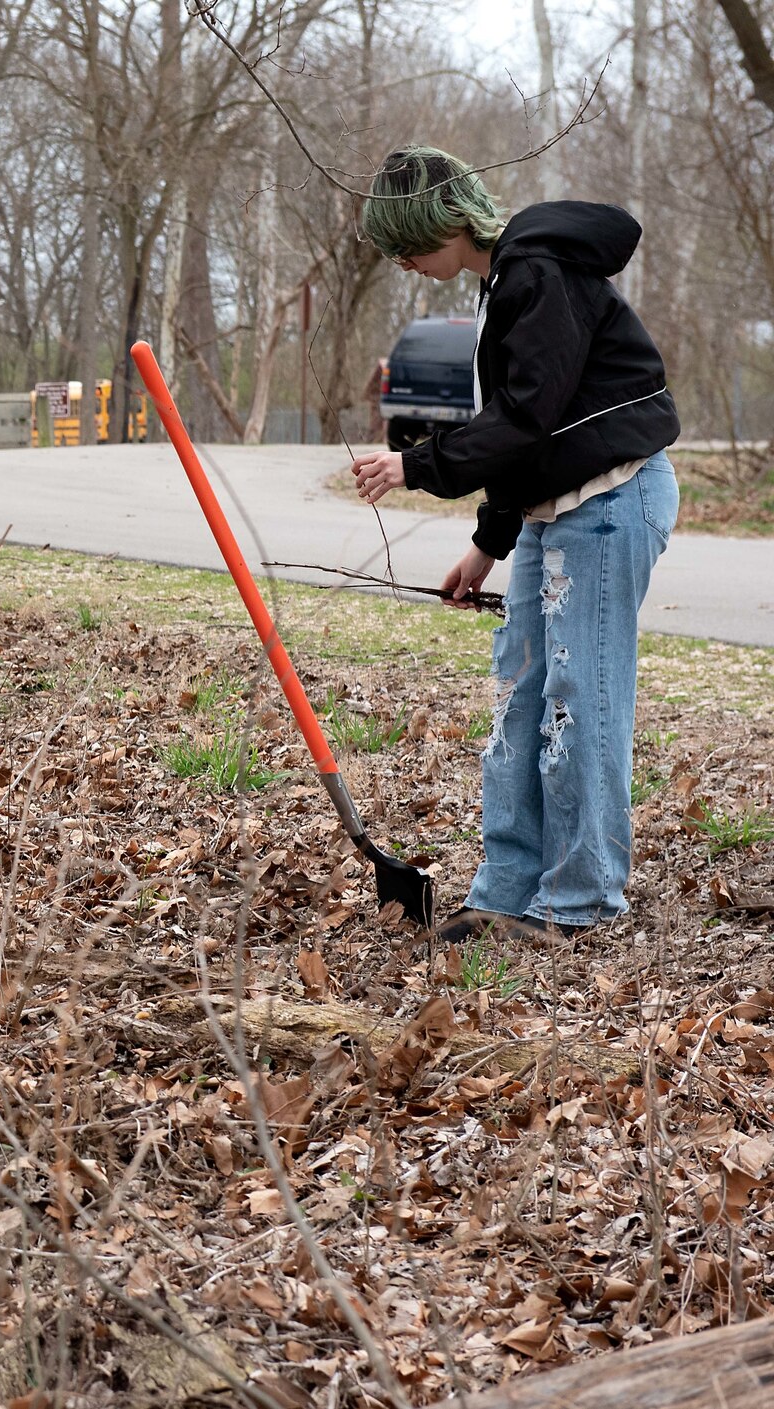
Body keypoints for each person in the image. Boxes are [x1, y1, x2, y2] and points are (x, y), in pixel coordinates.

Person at [350, 146, 679, 943]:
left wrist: (413, 463)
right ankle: (507, 895)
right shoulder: (509, 286)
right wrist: (487, 547)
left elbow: (525, 418)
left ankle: (580, 903)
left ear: (443, 223)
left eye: (406, 244)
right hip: (548, 511)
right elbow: (528, 442)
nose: (404, 262)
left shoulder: (540, 274)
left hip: (609, 500)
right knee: (519, 698)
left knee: (580, 703)